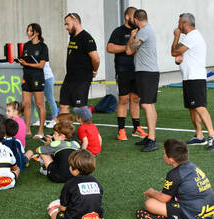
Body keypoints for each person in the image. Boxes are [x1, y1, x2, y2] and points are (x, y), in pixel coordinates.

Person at [171, 13, 214, 151]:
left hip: (195, 78)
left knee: (199, 106)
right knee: (192, 108)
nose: (178, 25)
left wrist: (176, 36)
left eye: (179, 23)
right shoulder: (189, 38)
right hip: (188, 77)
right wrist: (181, 57)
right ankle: (199, 136)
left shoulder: (193, 36)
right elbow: (177, 53)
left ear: (186, 23)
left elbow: (174, 52)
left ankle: (213, 136)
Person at [136, 139, 214, 219]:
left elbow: (164, 198)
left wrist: (150, 192)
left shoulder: (174, 174)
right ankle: (169, 213)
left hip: (195, 216)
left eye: (164, 153)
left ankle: (166, 217)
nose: (163, 155)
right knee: (157, 197)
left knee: (150, 203)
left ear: (171, 160)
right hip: (208, 210)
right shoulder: (192, 166)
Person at [107, 7, 148, 140]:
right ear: (127, 16)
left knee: (135, 99)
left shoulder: (140, 31)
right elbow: (110, 48)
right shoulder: (119, 31)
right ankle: (121, 130)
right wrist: (128, 47)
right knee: (123, 99)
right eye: (133, 16)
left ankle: (137, 128)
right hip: (123, 70)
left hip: (138, 69)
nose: (136, 19)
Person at [47, 150, 107, 219]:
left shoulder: (70, 184)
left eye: (70, 165)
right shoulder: (96, 182)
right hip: (95, 217)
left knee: (53, 211)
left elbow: (63, 208)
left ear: (75, 169)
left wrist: (57, 209)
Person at [126, 9, 159, 152]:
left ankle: (152, 139)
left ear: (135, 20)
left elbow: (129, 50)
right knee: (148, 104)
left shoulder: (143, 31)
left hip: (147, 73)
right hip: (146, 72)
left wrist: (132, 36)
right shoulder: (146, 30)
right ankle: (150, 137)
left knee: (146, 104)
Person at [61, 13, 100, 114]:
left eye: (67, 24)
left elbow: (96, 59)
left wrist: (95, 70)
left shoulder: (86, 38)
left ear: (76, 22)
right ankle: (63, 130)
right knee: (64, 106)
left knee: (81, 110)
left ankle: (88, 130)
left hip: (81, 79)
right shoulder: (73, 37)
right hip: (69, 78)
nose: (66, 27)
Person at [19, 23, 48, 139]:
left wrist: (27, 63)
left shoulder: (43, 47)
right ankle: (27, 129)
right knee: (26, 104)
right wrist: (22, 63)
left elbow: (41, 65)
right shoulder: (26, 45)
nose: (28, 33)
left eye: (30, 31)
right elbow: (24, 61)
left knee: (39, 104)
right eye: (28, 31)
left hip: (37, 77)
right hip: (27, 78)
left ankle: (41, 130)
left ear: (37, 32)